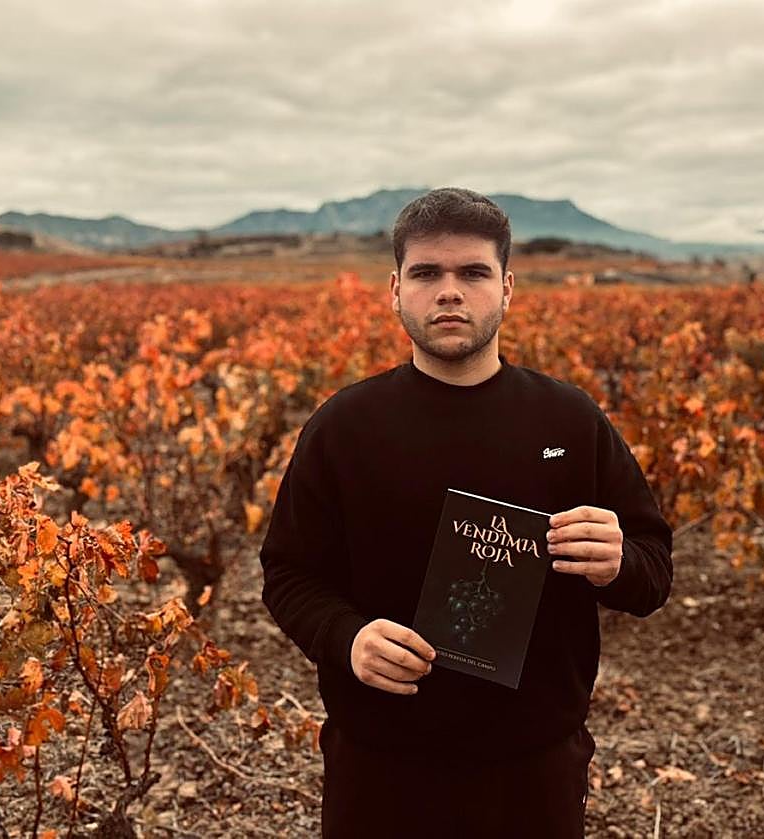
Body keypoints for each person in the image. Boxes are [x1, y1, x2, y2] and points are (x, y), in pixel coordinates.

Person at [259, 187, 673, 838]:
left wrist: (617, 560)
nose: (448, 291)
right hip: (378, 765)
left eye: (472, 272)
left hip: (533, 768)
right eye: (427, 273)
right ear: (395, 289)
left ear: (506, 288)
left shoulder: (570, 419)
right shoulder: (344, 427)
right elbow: (287, 573)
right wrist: (347, 637)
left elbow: (652, 570)